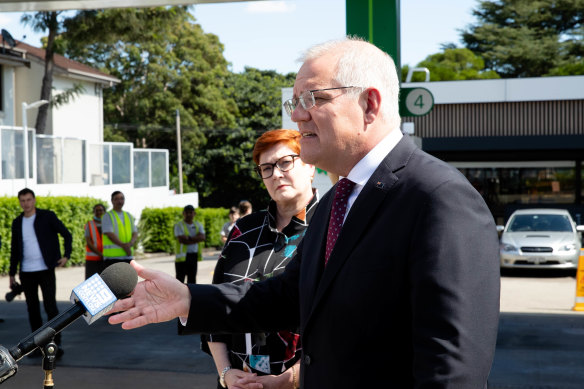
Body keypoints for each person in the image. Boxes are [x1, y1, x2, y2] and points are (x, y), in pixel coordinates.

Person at [108, 38, 500, 389]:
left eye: (313, 99)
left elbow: (452, 368)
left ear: (370, 104)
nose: (297, 115)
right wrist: (188, 299)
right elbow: (287, 296)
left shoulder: (437, 198)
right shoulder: (336, 202)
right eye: (294, 103)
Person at [204, 129, 318, 389]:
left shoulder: (330, 227)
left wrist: (288, 380)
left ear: (310, 165)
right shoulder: (243, 230)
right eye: (266, 168)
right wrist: (226, 374)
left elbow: (342, 322)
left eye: (285, 162)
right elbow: (214, 309)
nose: (276, 174)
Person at [10, 188, 72, 357]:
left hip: (45, 269)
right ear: (19, 202)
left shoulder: (47, 216)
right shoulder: (17, 222)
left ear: (34, 200)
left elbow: (66, 234)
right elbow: (14, 249)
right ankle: (36, 346)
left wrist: (66, 255)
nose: (26, 204)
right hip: (26, 272)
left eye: (29, 200)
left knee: (51, 307)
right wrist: (11, 274)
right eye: (22, 200)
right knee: (33, 310)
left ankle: (55, 345)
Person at [102, 191, 138, 267]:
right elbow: (109, 234)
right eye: (117, 199)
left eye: (122, 198)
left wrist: (130, 243)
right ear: (112, 201)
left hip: (128, 257)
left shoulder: (128, 215)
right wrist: (125, 246)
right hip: (112, 258)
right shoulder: (107, 216)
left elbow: (135, 232)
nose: (120, 201)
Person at [174, 205, 205, 284]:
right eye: (186, 213)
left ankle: (191, 295)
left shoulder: (198, 224)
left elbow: (202, 237)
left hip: (193, 255)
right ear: (183, 213)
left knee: (192, 278)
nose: (188, 215)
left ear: (194, 214)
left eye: (190, 213)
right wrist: (196, 239)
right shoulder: (179, 225)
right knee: (180, 279)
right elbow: (181, 240)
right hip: (182, 257)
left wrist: (188, 238)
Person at [84, 203, 106, 279]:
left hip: (105, 259)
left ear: (104, 212)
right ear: (94, 212)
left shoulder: (108, 224)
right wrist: (100, 254)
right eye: (97, 210)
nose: (99, 212)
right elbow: (88, 242)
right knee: (91, 281)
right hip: (92, 260)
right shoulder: (89, 224)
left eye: (101, 210)